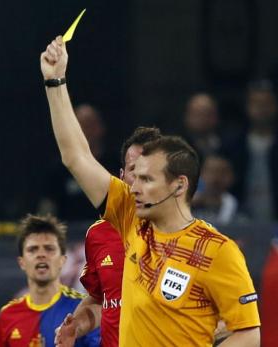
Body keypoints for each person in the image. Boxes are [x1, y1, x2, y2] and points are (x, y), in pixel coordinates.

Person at [40, 36, 260, 346]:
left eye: (147, 180)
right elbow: (76, 157)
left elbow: (249, 334)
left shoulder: (217, 250)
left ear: (178, 185)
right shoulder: (131, 221)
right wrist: (55, 82)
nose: (134, 187)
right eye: (134, 177)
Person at [72, 127, 162, 347]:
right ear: (121, 176)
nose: (141, 178)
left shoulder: (189, 236)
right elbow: (100, 300)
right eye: (134, 169)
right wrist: (75, 326)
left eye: (149, 170)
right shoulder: (98, 234)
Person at [0, 214, 100, 347]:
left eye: (49, 249)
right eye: (33, 249)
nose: (41, 255)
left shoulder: (83, 310)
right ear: (21, 262)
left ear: (63, 260)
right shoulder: (8, 315)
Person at [225, 79, 278, 221]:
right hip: (240, 219)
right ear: (248, 107)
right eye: (257, 104)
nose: (262, 109)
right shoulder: (233, 146)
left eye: (267, 104)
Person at [192, 153, 244, 225]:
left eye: (222, 172)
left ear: (232, 176)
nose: (215, 178)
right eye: (210, 172)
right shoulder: (185, 206)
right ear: (201, 174)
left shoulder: (239, 210)